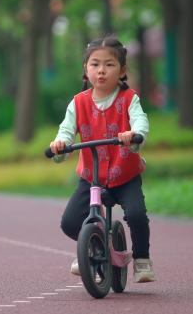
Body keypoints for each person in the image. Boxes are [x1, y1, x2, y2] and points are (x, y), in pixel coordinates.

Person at [49, 36, 156, 283]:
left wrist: (134, 134)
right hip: (91, 178)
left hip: (124, 175)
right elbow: (66, 130)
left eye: (109, 65)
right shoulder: (78, 102)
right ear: (85, 69)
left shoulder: (129, 99)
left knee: (137, 215)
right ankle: (93, 246)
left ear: (122, 70)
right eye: (95, 64)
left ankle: (141, 260)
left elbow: (140, 120)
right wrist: (60, 145)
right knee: (69, 222)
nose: (101, 71)